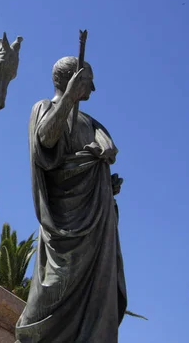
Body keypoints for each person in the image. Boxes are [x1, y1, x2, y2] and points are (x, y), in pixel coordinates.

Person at [15, 56, 127, 342]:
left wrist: (102, 183)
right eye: (88, 80)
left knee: (98, 294)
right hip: (65, 223)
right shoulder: (45, 108)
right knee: (52, 290)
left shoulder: (92, 123)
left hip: (97, 221)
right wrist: (68, 99)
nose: (95, 88)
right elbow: (46, 142)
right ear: (73, 80)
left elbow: (82, 166)